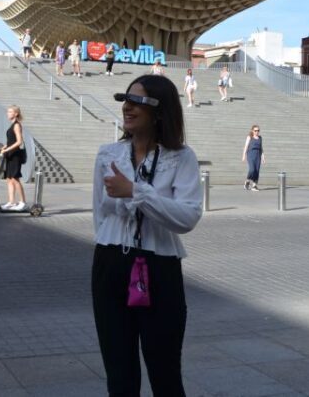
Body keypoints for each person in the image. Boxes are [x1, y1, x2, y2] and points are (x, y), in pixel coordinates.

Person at [93, 75, 202, 396]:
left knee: (165, 372)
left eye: (136, 102)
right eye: (125, 100)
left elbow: (188, 217)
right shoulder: (107, 154)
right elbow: (100, 215)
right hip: (111, 263)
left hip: (160, 267)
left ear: (159, 111)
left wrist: (136, 192)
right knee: (119, 372)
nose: (127, 107)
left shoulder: (181, 158)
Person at [0, 105, 28, 210]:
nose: (8, 113)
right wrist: (3, 148)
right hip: (10, 155)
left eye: (10, 112)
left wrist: (6, 150)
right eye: (8, 111)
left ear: (16, 114)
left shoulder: (16, 125)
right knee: (9, 179)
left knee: (15, 179)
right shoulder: (11, 125)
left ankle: (22, 202)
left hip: (15, 155)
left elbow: (19, 142)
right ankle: (11, 202)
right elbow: (11, 141)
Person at [242, 124, 265, 191]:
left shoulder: (260, 138)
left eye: (258, 130)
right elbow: (246, 146)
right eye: (255, 130)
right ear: (252, 131)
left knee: (257, 170)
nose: (257, 132)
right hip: (251, 154)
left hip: (258, 155)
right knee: (252, 169)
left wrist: (263, 156)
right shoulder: (249, 137)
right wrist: (244, 155)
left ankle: (254, 186)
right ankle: (247, 181)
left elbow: (261, 148)